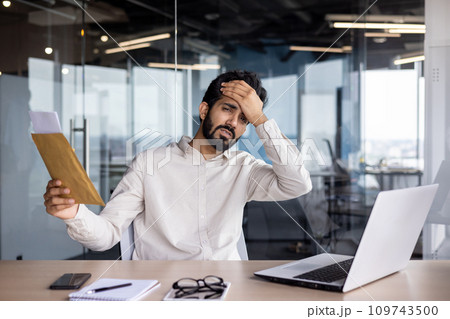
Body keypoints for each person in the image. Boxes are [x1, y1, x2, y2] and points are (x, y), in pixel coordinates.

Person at [43, 70, 312, 260]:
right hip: (161, 288)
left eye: (244, 119)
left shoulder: (244, 167)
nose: (233, 123)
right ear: (205, 110)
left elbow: (298, 183)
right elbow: (106, 236)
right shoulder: (149, 164)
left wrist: (261, 118)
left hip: (227, 290)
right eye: (228, 109)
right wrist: (74, 213)